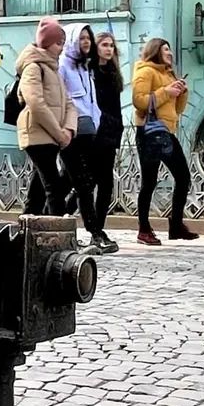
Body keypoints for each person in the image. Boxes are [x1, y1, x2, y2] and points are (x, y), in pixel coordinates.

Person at [131, 37, 198, 246]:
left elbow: (177, 109)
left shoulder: (169, 74)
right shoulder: (145, 71)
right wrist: (165, 92)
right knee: (149, 182)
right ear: (156, 51)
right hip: (149, 133)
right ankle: (143, 229)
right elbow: (139, 101)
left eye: (169, 49)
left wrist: (181, 92)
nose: (170, 53)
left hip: (167, 132)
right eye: (165, 49)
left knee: (183, 177)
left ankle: (176, 224)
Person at [15, 18, 77, 219]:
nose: (61, 48)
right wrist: (59, 134)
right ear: (47, 43)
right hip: (37, 135)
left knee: (39, 190)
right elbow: (36, 104)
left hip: (52, 137)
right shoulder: (33, 68)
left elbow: (69, 103)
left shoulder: (54, 70)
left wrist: (69, 130)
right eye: (58, 43)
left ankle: (27, 226)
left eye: (63, 43)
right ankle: (57, 229)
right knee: (53, 186)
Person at [58, 24, 103, 249]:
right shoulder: (63, 65)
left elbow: (90, 101)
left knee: (67, 181)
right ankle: (94, 232)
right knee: (82, 183)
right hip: (71, 131)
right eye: (82, 38)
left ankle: (50, 215)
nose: (86, 42)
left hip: (88, 130)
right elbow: (60, 99)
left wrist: (97, 120)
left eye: (89, 38)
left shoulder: (85, 68)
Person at [89, 31, 124, 254]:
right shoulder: (90, 72)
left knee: (105, 184)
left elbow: (116, 107)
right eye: (104, 45)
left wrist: (117, 131)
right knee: (85, 183)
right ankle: (55, 213)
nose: (109, 49)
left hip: (110, 135)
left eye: (111, 45)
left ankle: (98, 230)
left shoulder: (112, 74)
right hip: (93, 134)